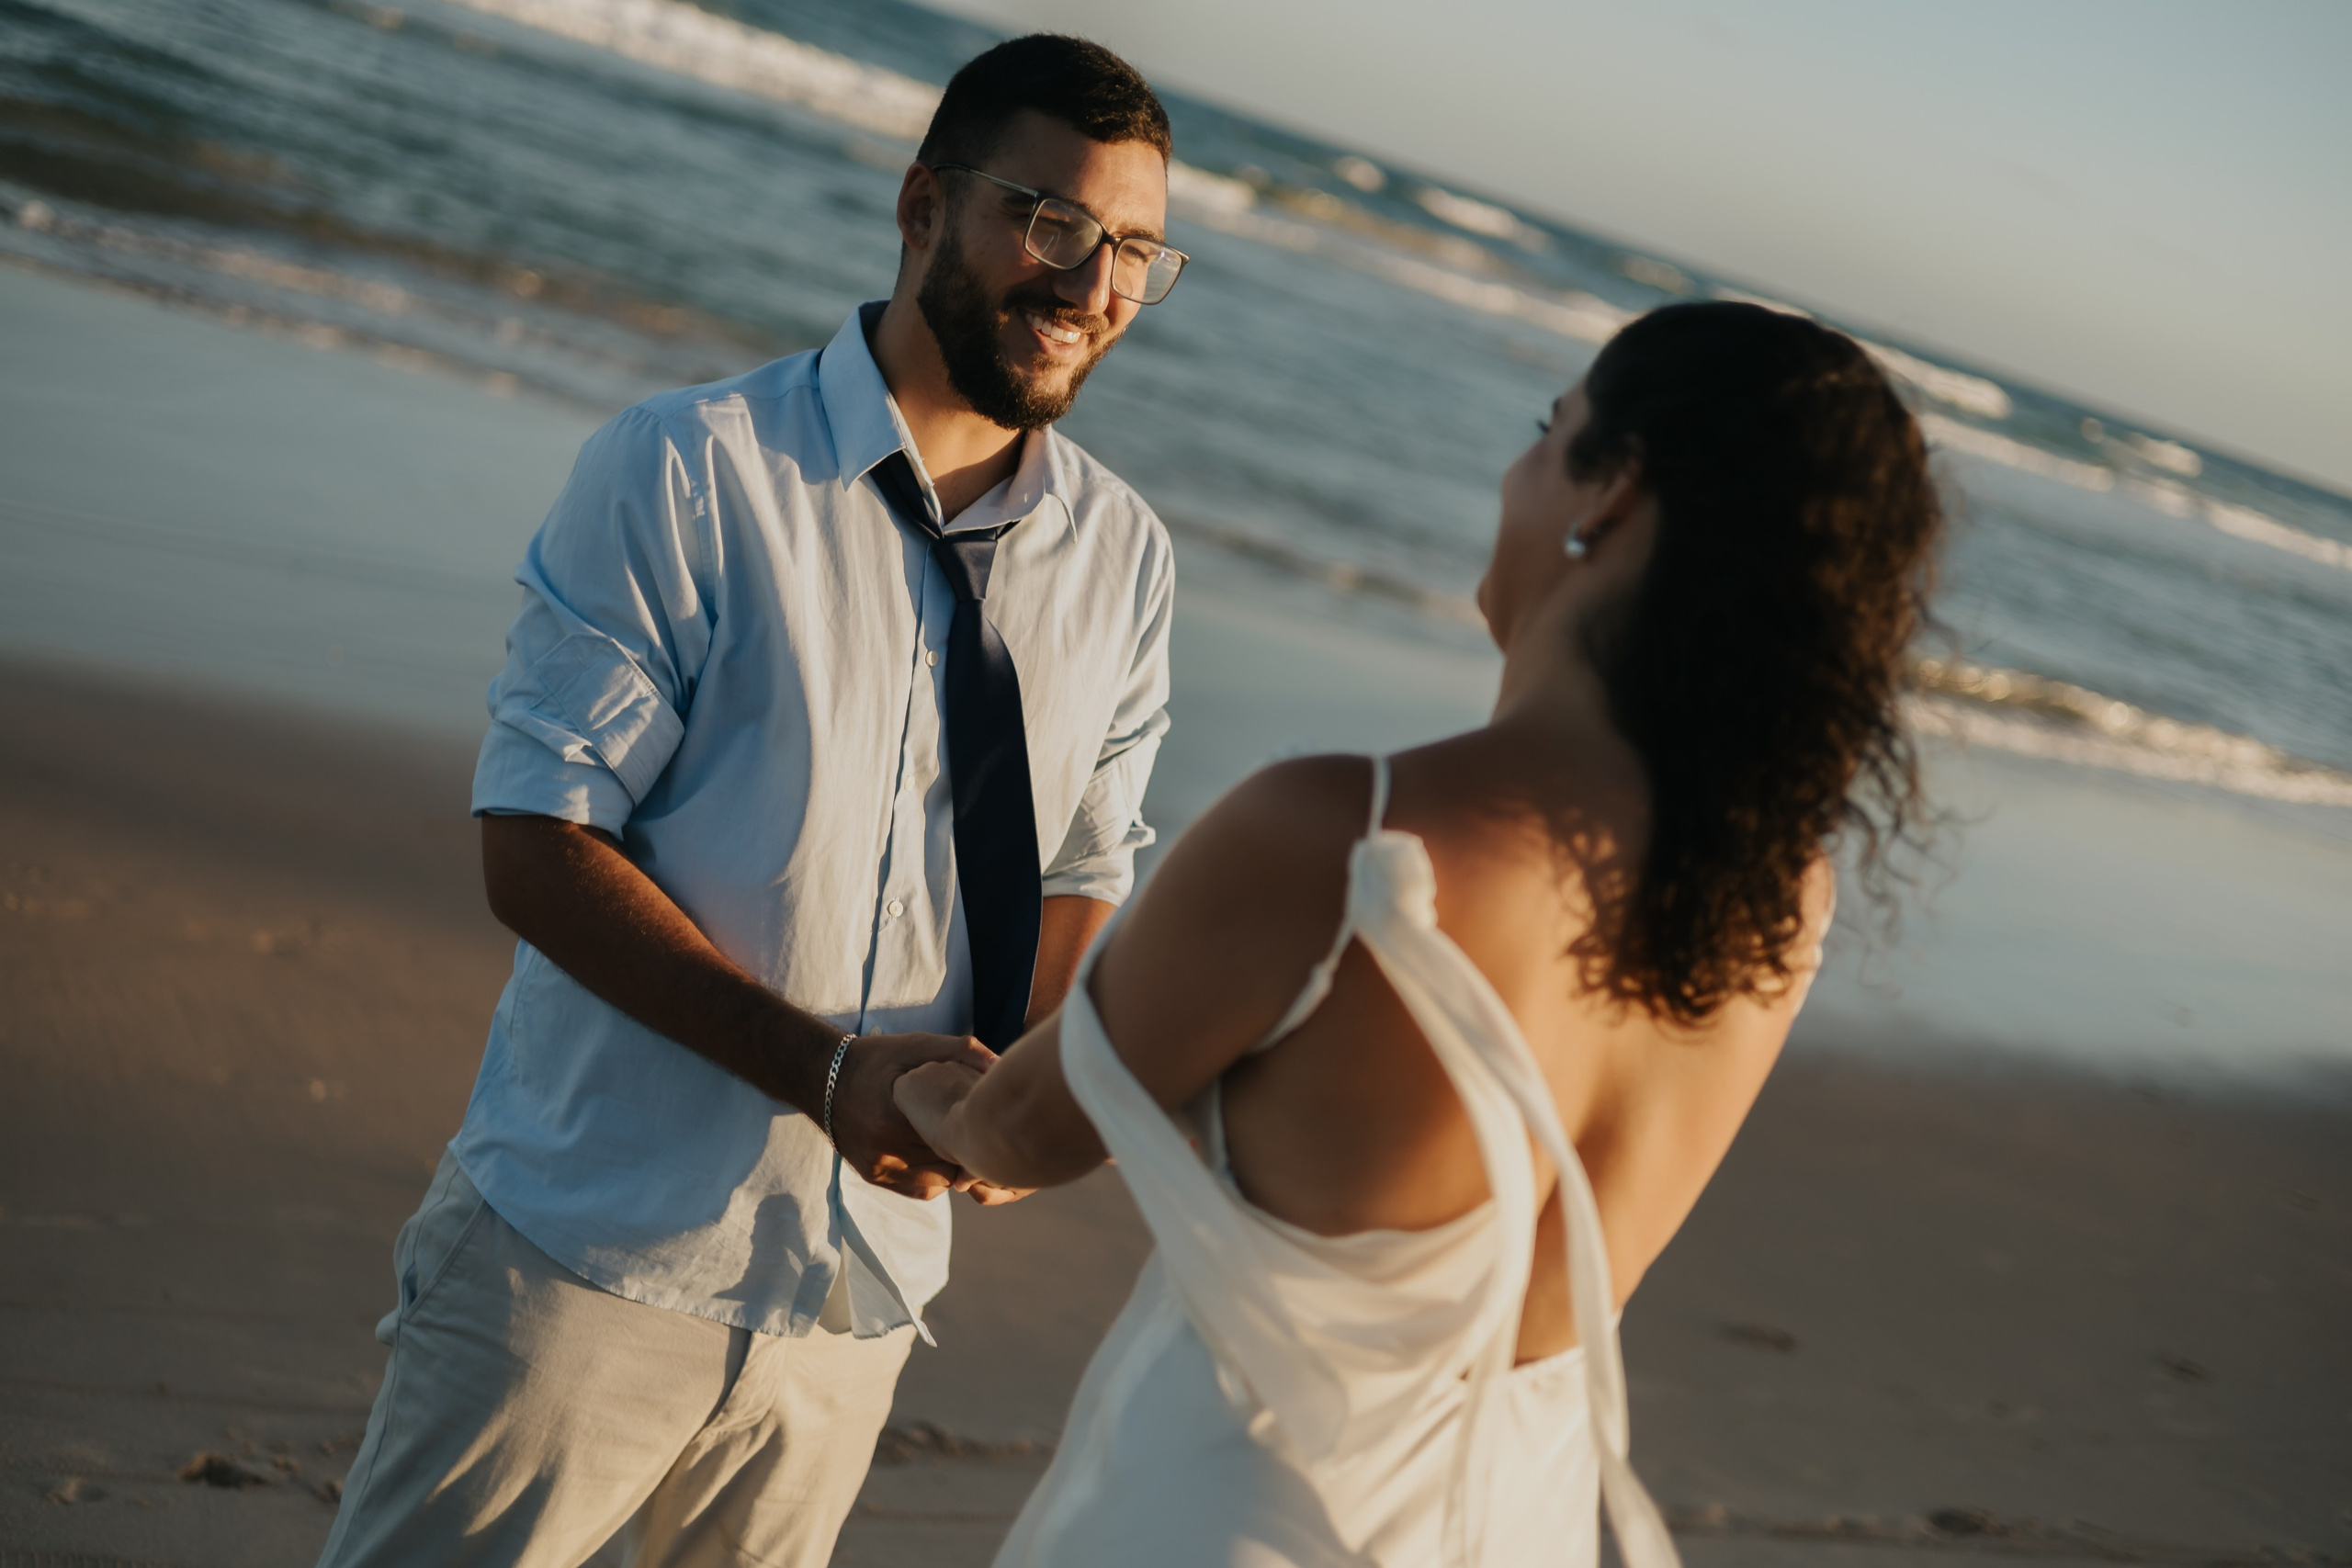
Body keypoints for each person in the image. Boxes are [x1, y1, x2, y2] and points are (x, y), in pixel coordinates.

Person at [318, 34, 1190, 1568]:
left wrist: (1035, 1089)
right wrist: (823, 1073)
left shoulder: (1124, 560)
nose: (1088, 283)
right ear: (923, 206)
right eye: (1048, 221)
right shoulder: (688, 470)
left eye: (1131, 248)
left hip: (858, 1301)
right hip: (586, 1255)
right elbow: (538, 845)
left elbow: (1079, 864)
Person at [896, 301, 1943, 1568]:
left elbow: (1025, 1129)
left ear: (1610, 492)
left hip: (1238, 1522)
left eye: (1549, 430)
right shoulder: (1777, 901)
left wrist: (903, 1084)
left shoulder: (1342, 834)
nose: (1518, 470)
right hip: (1519, 1525)